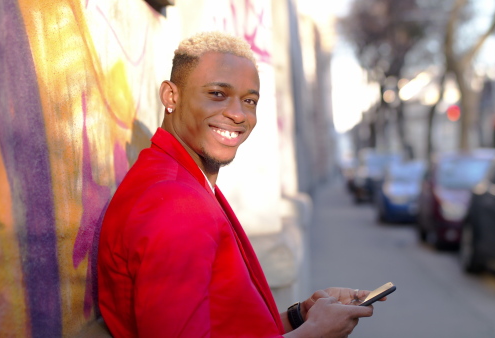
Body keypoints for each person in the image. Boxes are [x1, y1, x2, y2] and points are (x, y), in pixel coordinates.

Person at [97, 31, 379, 338]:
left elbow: (220, 323)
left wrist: (300, 317)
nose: (237, 114)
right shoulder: (176, 203)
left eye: (249, 100)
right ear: (171, 96)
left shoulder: (182, 180)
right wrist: (314, 334)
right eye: (217, 94)